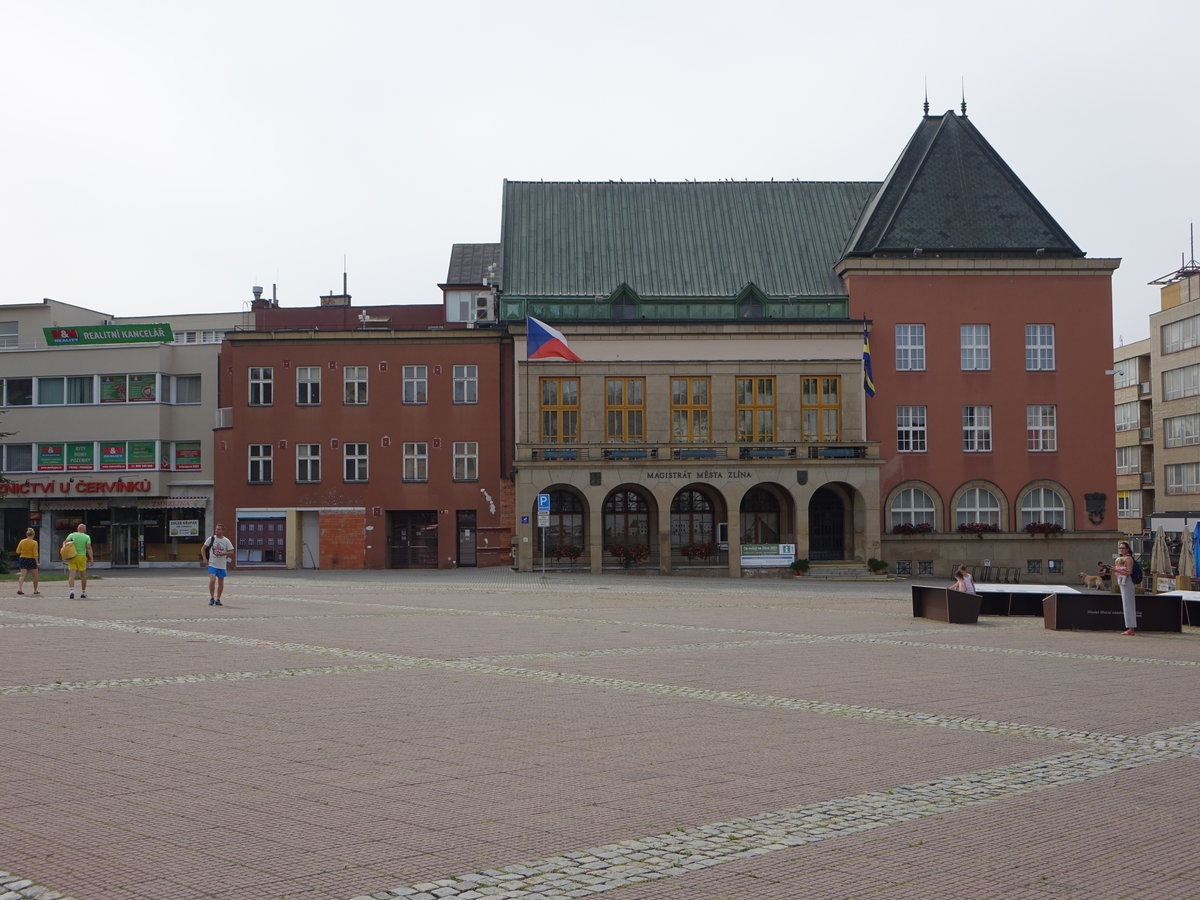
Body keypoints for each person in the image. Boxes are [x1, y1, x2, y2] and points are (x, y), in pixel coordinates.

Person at [201, 523, 235, 606]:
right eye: (216, 529)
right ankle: (212, 598)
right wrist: (205, 558)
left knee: (220, 582)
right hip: (212, 563)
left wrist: (224, 553)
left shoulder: (226, 540)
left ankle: (218, 599)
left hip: (222, 565)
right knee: (212, 580)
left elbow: (232, 551)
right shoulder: (211, 539)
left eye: (219, 529)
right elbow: (203, 548)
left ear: (223, 531)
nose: (217, 530)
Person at [62, 523, 93, 599]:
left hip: (72, 556)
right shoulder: (87, 537)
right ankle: (83, 592)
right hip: (82, 557)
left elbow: (65, 543)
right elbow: (88, 548)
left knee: (71, 575)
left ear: (77, 529)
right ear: (84, 530)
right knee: (83, 576)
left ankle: (71, 591)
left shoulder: (72, 535)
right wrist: (91, 558)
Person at [1112, 541, 1137, 635]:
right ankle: (1130, 627)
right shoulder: (1122, 559)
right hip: (1123, 582)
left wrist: (1116, 570)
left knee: (1128, 605)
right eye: (1120, 548)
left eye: (1123, 548)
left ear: (1127, 549)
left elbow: (1129, 572)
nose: (1121, 549)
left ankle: (1131, 628)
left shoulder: (1128, 559)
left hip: (1127, 582)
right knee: (1126, 604)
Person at [15, 527, 40, 595]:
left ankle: (20, 589)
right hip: (31, 559)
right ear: (33, 535)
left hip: (23, 558)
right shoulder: (34, 542)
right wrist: (37, 562)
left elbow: (17, 551)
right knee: (35, 576)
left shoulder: (22, 541)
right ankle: (35, 590)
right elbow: (35, 553)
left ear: (27, 535)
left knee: (22, 575)